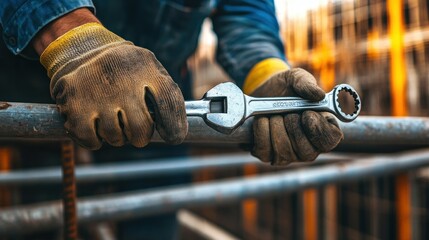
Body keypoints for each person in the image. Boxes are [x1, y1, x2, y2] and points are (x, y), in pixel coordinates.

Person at [0, 0, 343, 238]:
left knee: (153, 223)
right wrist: (72, 35)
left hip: (161, 108)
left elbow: (243, 10)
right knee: (40, 216)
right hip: (44, 102)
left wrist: (263, 68)